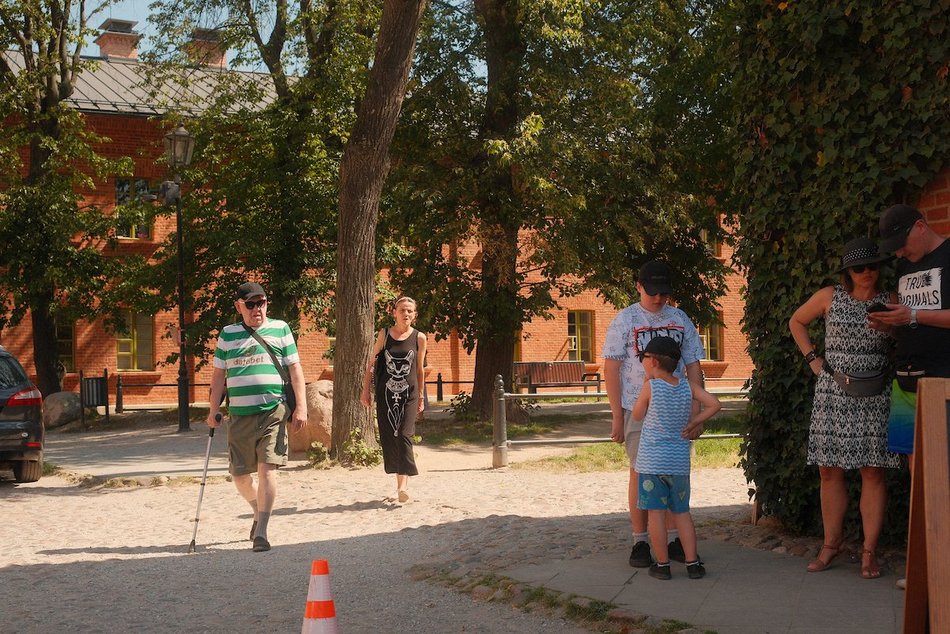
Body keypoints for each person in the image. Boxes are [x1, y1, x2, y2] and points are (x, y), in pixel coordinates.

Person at [789, 237, 901, 579]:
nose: (867, 272)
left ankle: (869, 552)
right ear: (847, 272)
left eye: (872, 266)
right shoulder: (829, 296)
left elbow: (910, 336)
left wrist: (891, 330)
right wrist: (813, 360)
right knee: (829, 471)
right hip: (833, 391)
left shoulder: (891, 300)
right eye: (859, 268)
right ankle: (830, 544)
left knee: (873, 471)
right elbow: (796, 321)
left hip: (875, 392)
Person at [603, 260, 706, 568]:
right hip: (638, 406)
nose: (659, 299)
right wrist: (618, 417)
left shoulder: (679, 318)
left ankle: (674, 540)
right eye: (652, 292)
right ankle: (640, 541)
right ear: (638, 287)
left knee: (674, 473)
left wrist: (696, 411)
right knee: (640, 471)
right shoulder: (625, 320)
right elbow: (612, 367)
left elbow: (693, 364)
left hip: (675, 407)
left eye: (663, 293)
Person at [869, 203, 950, 588]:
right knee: (917, 475)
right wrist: (890, 325)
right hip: (905, 381)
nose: (899, 252)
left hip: (942, 381)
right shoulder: (905, 270)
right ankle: (925, 563)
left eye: (902, 243)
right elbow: (909, 320)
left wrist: (914, 317)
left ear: (921, 226)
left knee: (943, 472)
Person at [208, 282, 308, 552]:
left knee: (267, 469)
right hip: (239, 415)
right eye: (250, 304)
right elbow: (219, 377)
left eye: (261, 302)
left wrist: (301, 407)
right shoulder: (228, 335)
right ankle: (256, 508)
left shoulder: (280, 329)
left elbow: (295, 371)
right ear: (238, 306)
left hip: (273, 410)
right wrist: (212, 409)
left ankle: (262, 531)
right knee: (240, 476)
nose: (257, 309)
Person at [633, 336, 721, 580]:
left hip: (652, 463)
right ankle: (693, 563)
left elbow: (638, 415)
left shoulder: (651, 386)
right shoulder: (686, 387)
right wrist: (695, 421)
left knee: (656, 514)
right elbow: (715, 404)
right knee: (682, 512)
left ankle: (662, 565)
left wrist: (645, 386)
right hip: (679, 463)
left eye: (643, 358)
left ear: (652, 361)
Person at [361, 296, 428, 503]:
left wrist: (421, 397)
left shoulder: (420, 338)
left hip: (410, 393)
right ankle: (399, 485)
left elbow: (419, 369)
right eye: (402, 310)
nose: (406, 314)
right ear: (394, 313)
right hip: (386, 393)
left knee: (405, 435)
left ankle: (403, 486)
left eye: (410, 311)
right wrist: (366, 390)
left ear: (414, 314)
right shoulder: (384, 334)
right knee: (391, 436)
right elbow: (372, 364)